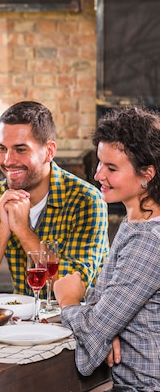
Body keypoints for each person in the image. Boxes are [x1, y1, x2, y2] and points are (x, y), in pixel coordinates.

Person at [54, 106, 160, 390]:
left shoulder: (150, 240)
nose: (98, 174)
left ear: (146, 174)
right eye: (100, 163)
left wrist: (68, 301)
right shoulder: (135, 221)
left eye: (111, 168)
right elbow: (100, 308)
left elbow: (93, 325)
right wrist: (106, 327)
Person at [0, 101, 109, 296]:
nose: (8, 161)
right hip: (24, 319)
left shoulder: (86, 200)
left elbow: (72, 289)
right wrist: (4, 228)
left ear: (49, 151)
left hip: (76, 320)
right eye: (2, 149)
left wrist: (22, 229)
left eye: (21, 150)